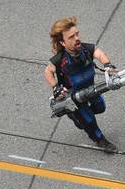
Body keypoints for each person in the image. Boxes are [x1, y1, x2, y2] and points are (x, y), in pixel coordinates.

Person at [45, 17, 118, 153]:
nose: (77, 38)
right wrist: (56, 87)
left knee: (100, 108)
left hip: (91, 89)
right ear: (63, 42)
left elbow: (99, 53)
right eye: (71, 37)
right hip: (75, 96)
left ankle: (78, 118)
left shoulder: (85, 49)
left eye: (77, 34)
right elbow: (48, 72)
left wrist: (107, 64)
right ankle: (99, 139)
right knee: (88, 120)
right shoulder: (60, 59)